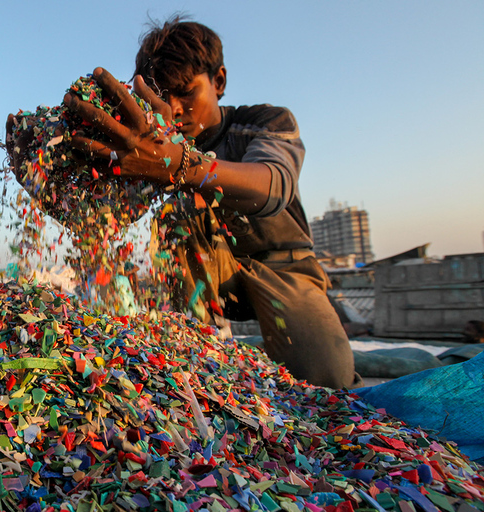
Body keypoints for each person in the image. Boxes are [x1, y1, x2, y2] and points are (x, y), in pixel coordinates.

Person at [59, 18, 360, 389]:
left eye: (186, 93)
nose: (174, 109)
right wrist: (54, 188)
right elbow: (105, 222)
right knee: (177, 215)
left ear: (218, 81)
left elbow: (271, 186)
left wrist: (178, 164)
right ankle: (198, 354)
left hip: (284, 270)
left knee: (328, 379)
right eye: (161, 96)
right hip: (199, 280)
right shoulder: (150, 147)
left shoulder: (262, 122)